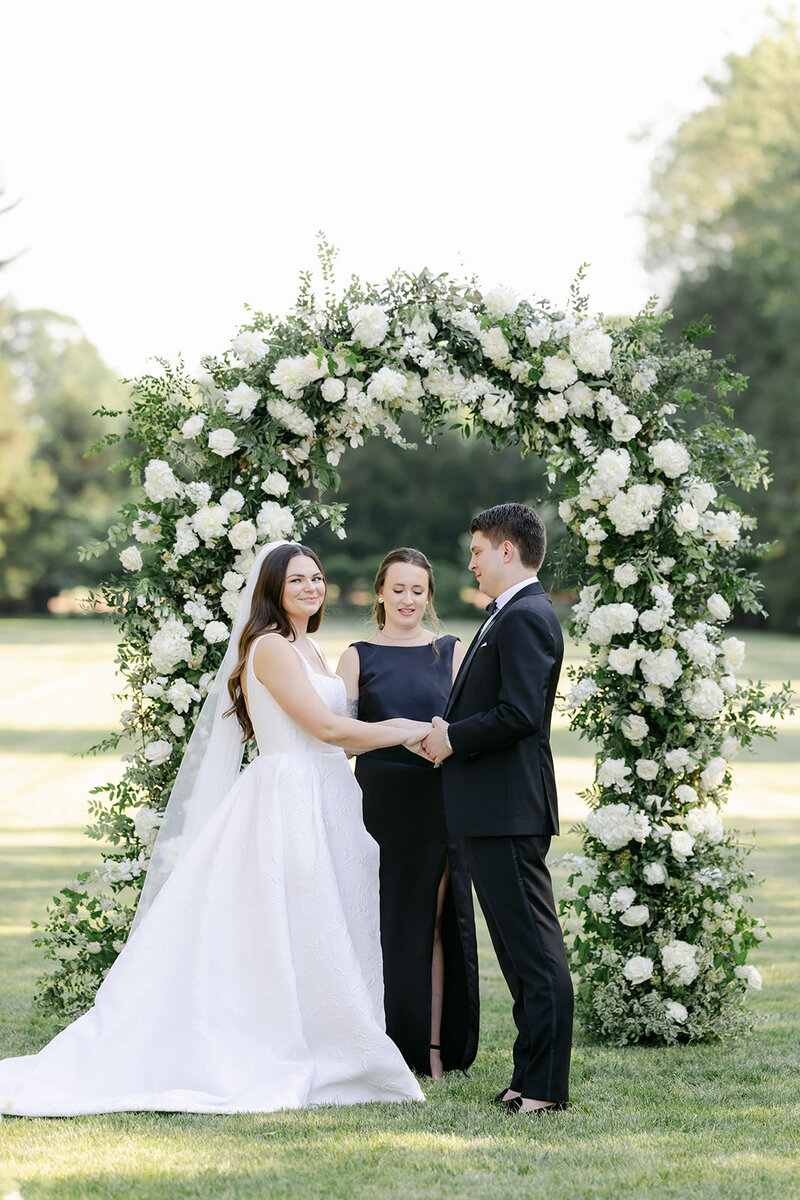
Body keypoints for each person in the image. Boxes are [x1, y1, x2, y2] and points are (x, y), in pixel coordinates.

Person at [0, 541, 429, 1116]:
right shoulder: (271, 648)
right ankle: (286, 1047)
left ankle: (336, 1044)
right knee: (295, 919)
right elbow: (326, 729)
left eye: (317, 577)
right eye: (296, 579)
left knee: (330, 917)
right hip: (289, 799)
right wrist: (404, 729)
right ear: (272, 588)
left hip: (328, 797)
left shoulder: (310, 648)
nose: (310, 587)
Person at [421, 504, 573, 1115]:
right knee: (516, 952)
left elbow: (520, 715)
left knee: (534, 951)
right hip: (490, 810)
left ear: (507, 551)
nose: (472, 562)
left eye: (479, 550)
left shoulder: (527, 617)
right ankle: (526, 1076)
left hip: (509, 810)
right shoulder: (507, 615)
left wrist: (451, 738)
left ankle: (543, 1089)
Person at [337, 549, 480, 1079]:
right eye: (398, 589)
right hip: (379, 806)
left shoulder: (451, 651)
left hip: (439, 801)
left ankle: (435, 1050)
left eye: (418, 590)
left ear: (430, 596)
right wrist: (398, 732)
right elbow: (341, 740)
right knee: (383, 925)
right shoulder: (357, 656)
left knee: (436, 924)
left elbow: (470, 727)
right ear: (380, 592)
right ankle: (382, 1046)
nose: (408, 600)